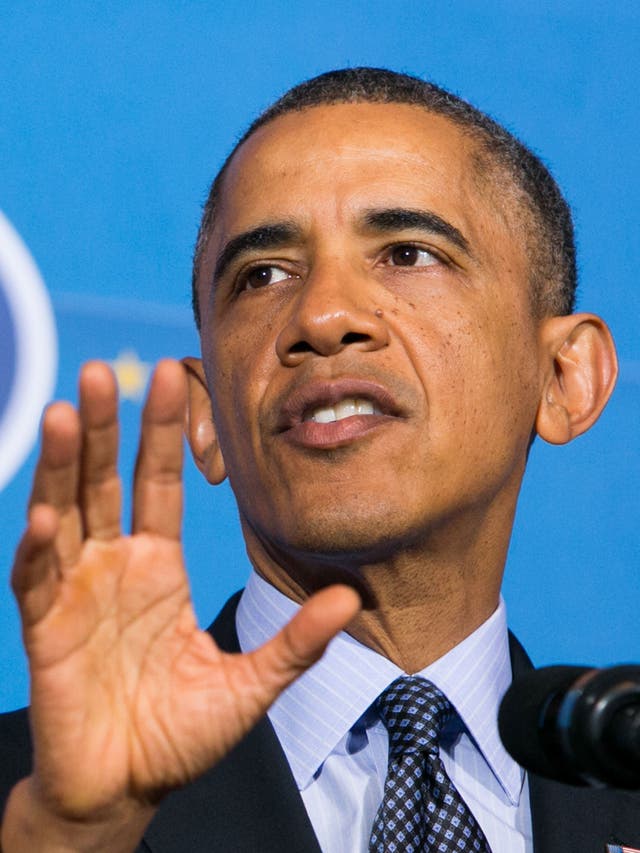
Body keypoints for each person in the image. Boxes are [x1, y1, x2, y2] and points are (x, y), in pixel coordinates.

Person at [0, 67, 637, 853]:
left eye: (408, 252)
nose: (323, 315)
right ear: (205, 419)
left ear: (564, 378)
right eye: (262, 275)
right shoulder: (31, 808)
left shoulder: (624, 776)